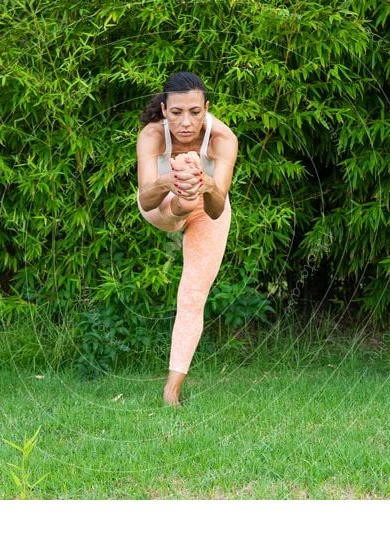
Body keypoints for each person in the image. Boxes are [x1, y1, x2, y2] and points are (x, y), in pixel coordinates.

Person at [135, 71, 238, 406]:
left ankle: (172, 390)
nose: (186, 122)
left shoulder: (222, 139)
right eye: (177, 112)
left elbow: (217, 207)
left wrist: (206, 184)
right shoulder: (152, 135)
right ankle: (184, 192)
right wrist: (171, 181)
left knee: (193, 297)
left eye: (195, 112)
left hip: (206, 207)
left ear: (206, 108)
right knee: (182, 196)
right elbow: (146, 199)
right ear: (164, 110)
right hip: (162, 206)